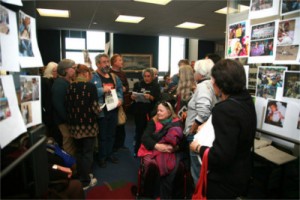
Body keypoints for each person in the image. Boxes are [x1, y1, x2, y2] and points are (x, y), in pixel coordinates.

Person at [190, 59, 257, 199]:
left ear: (221, 83)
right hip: (242, 172)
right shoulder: (246, 99)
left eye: (213, 79)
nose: (212, 82)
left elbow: (219, 157)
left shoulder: (224, 109)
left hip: (224, 181)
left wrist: (197, 148)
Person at [138, 101, 183, 199]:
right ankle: (150, 194)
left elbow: (182, 141)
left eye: (161, 111)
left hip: (170, 151)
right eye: (157, 110)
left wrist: (175, 147)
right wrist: (157, 146)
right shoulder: (153, 121)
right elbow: (145, 138)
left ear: (169, 112)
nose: (158, 113)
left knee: (175, 166)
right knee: (152, 165)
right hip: (152, 148)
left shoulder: (176, 122)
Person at [66, 64, 100, 190]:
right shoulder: (90, 87)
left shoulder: (70, 86)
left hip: (74, 126)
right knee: (87, 153)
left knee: (79, 152)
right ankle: (85, 181)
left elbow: (67, 106)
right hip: (88, 125)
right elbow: (95, 108)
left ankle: (82, 175)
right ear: (86, 73)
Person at [184, 58, 217, 186]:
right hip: (206, 134)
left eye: (195, 71)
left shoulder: (203, 86)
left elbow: (203, 112)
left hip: (197, 135)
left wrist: (193, 127)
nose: (194, 73)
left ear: (201, 74)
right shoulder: (211, 85)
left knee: (197, 171)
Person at [90, 53, 123, 168]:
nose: (107, 64)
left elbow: (119, 90)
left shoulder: (114, 77)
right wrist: (102, 90)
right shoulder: (92, 77)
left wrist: (120, 99)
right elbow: (90, 92)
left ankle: (109, 154)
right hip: (101, 111)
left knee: (111, 135)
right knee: (102, 136)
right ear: (97, 64)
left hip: (113, 109)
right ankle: (102, 157)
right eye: (104, 62)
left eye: (108, 61)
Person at [131, 68, 161, 157]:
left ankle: (148, 150)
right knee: (139, 131)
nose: (146, 78)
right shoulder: (138, 84)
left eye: (148, 76)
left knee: (149, 132)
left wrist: (150, 97)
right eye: (145, 76)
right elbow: (133, 95)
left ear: (152, 77)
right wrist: (133, 97)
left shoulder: (156, 86)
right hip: (139, 111)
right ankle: (137, 150)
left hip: (150, 112)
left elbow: (157, 99)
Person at [52, 59, 76, 156]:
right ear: (66, 70)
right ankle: (70, 168)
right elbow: (58, 105)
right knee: (68, 143)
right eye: (73, 68)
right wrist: (68, 119)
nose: (75, 70)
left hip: (67, 119)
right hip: (64, 120)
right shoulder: (60, 84)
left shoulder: (66, 82)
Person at [110, 54, 129, 151]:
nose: (122, 62)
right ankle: (114, 145)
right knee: (113, 124)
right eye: (120, 60)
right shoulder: (109, 73)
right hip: (112, 102)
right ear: (114, 62)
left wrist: (124, 88)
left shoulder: (123, 73)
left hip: (122, 102)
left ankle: (121, 144)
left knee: (122, 123)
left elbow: (127, 86)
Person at [41, 62, 59, 140]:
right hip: (48, 111)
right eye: (54, 71)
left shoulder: (55, 81)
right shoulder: (45, 81)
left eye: (57, 71)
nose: (56, 73)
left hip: (53, 111)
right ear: (49, 71)